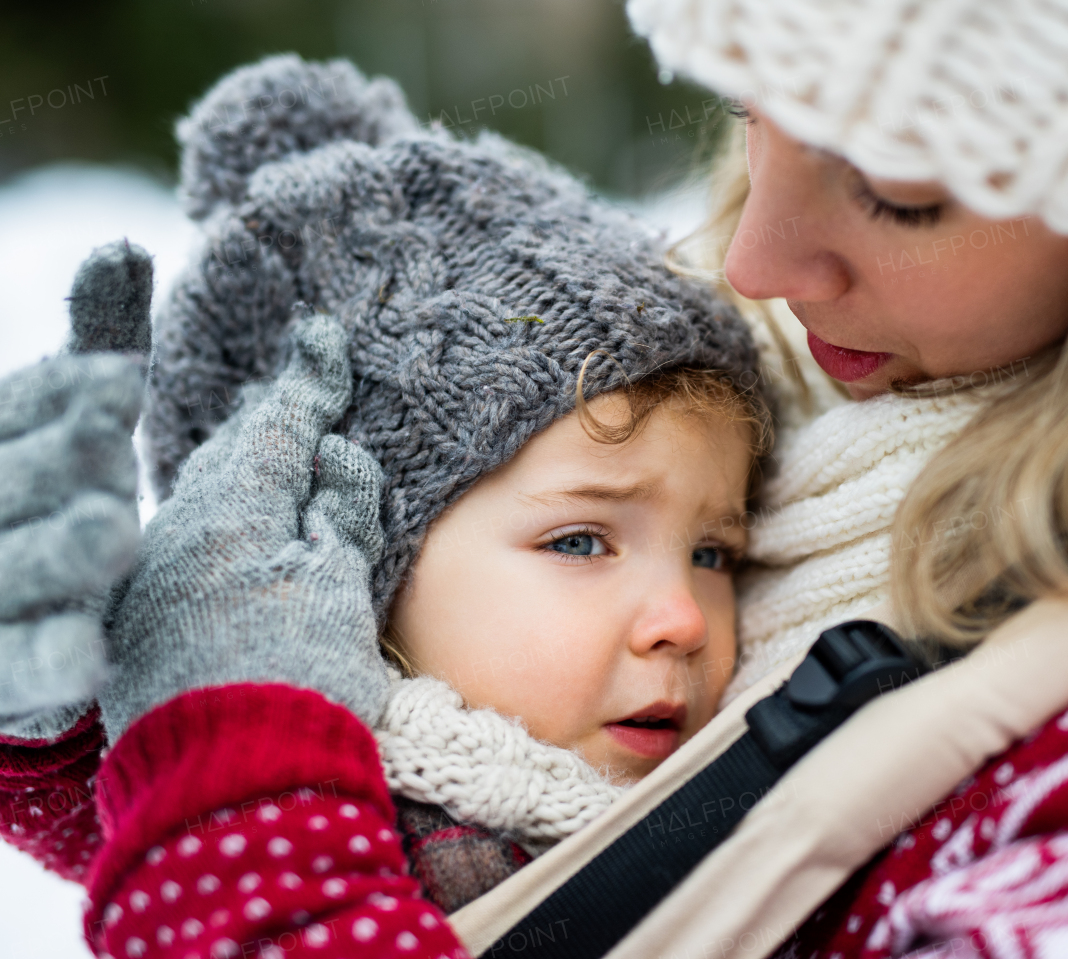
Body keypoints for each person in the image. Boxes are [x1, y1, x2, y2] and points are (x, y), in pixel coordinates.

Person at [0, 55, 768, 957]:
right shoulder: (360, 802)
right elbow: (134, 821)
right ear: (356, 574)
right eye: (580, 540)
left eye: (713, 552)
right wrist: (49, 740)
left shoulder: (739, 817)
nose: (683, 618)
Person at [614, 0, 1068, 956]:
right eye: (747, 111)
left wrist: (317, 805)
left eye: (895, 191)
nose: (753, 262)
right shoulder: (697, 370)